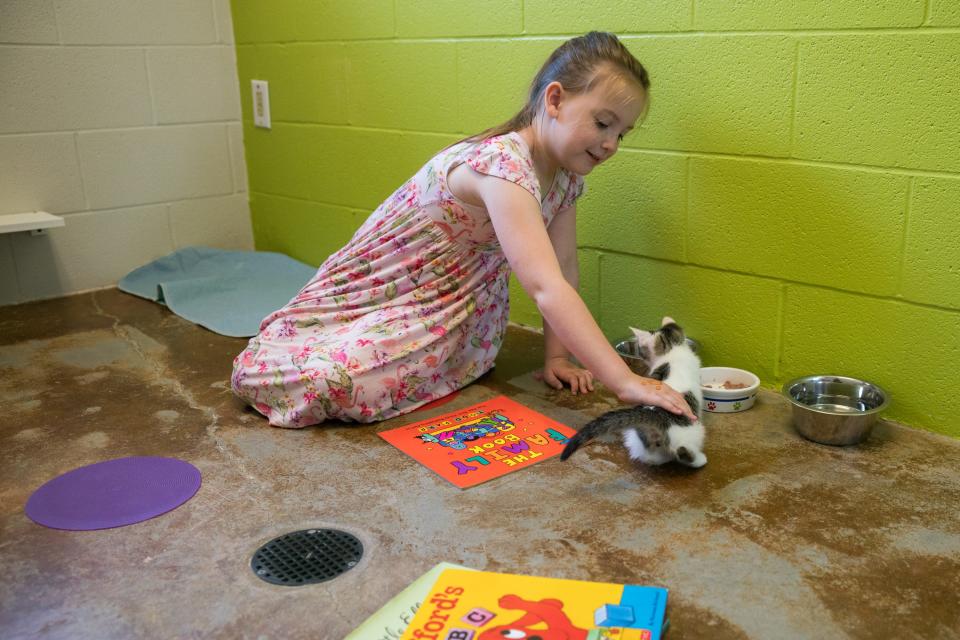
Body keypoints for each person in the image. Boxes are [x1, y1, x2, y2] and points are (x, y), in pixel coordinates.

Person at [231, 31, 697, 428]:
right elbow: (544, 286)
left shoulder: (566, 178)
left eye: (623, 133)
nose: (612, 143)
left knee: (412, 369)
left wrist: (556, 358)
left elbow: (564, 269)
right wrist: (624, 381)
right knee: (325, 378)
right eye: (603, 123)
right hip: (387, 285)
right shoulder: (502, 165)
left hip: (454, 309)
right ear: (555, 100)